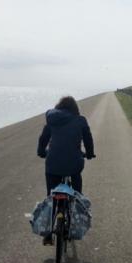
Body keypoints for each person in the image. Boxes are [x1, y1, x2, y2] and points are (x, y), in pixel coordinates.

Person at [37, 96, 95, 244]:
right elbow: (88, 138)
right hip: (73, 164)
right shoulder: (80, 120)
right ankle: (76, 222)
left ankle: (48, 233)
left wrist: (41, 152)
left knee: (51, 197)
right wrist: (89, 153)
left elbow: (43, 138)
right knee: (76, 195)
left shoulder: (52, 119)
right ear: (74, 108)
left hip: (53, 164)